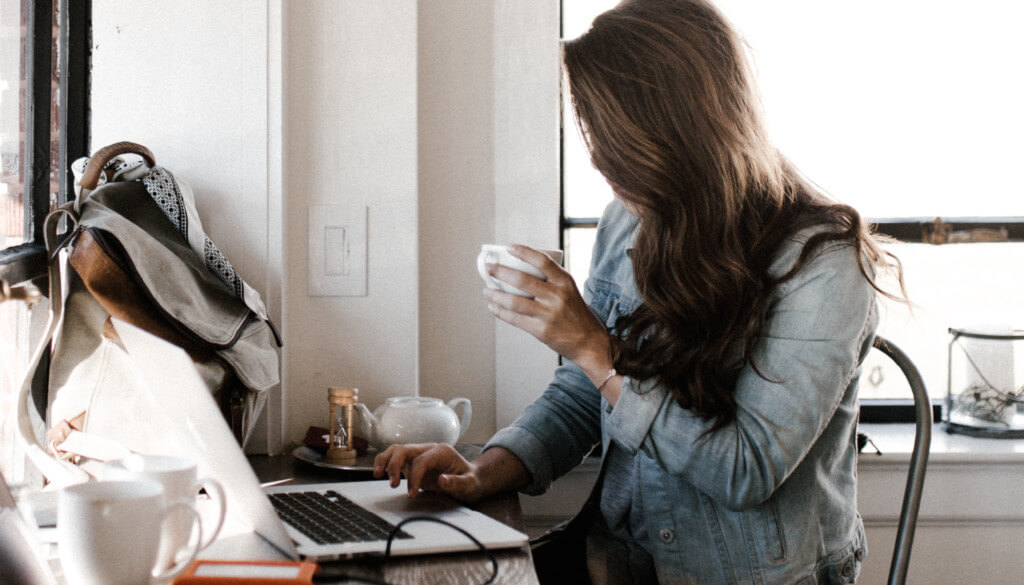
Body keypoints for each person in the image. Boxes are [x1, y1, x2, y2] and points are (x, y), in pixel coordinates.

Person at [374, 1, 904, 583]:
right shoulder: (629, 221)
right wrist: (486, 469)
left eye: (613, 142)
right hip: (617, 562)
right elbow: (585, 394)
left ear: (675, 133)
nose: (601, 161)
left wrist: (596, 348)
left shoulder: (823, 264)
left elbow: (745, 470)